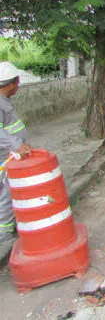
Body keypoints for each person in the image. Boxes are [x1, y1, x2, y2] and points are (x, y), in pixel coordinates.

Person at [0, 62, 32, 255]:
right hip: (6, 156)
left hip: (12, 154)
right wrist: (16, 144)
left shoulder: (5, 100)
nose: (18, 86)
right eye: (17, 82)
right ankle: (4, 233)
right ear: (9, 84)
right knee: (7, 193)